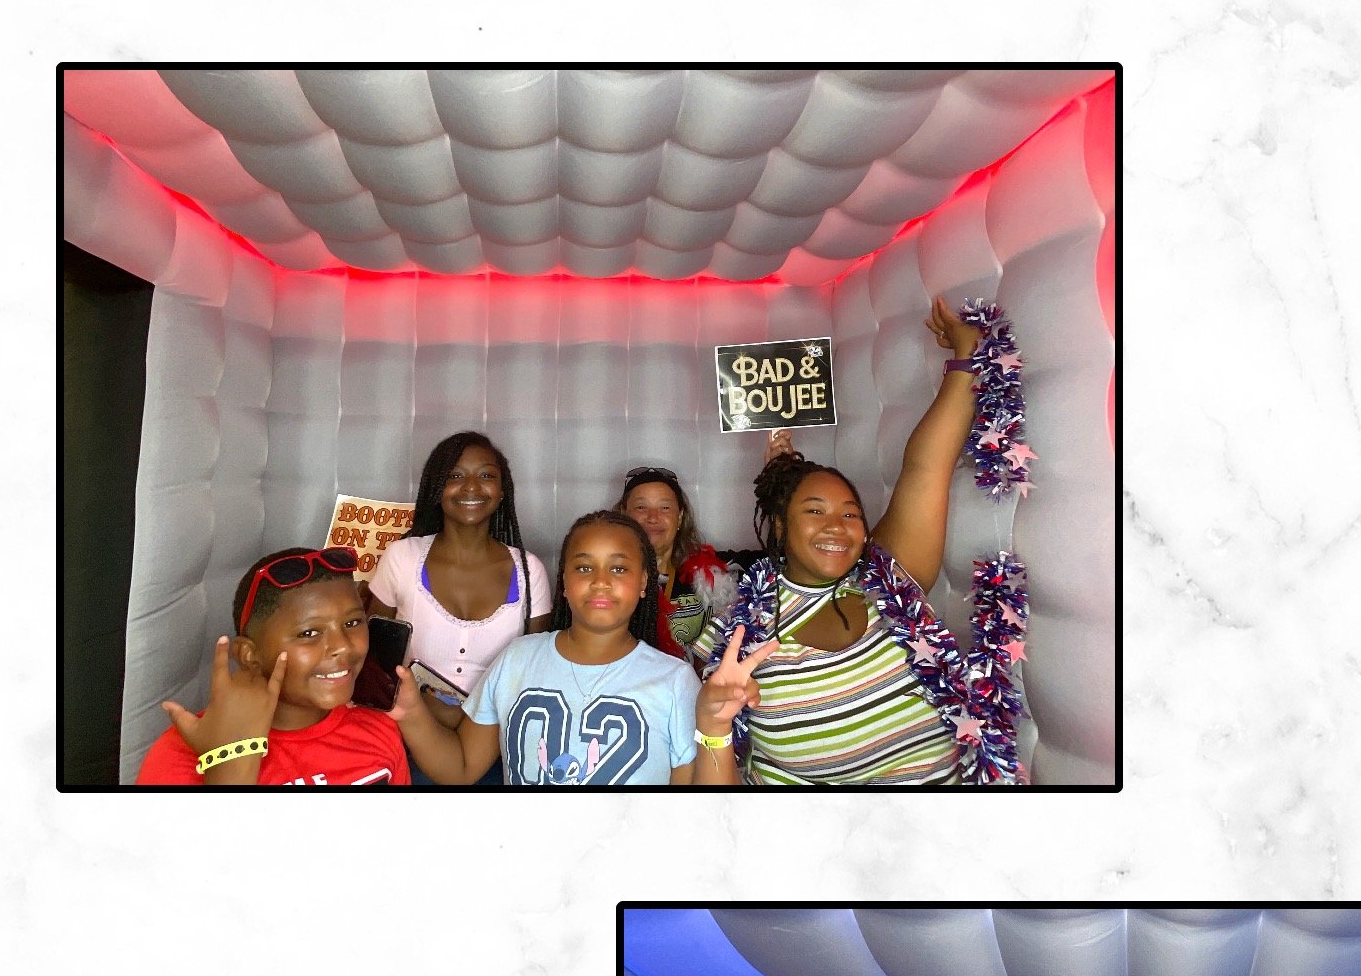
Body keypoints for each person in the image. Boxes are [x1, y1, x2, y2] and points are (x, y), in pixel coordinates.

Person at [702, 300, 1020, 787]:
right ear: (780, 526)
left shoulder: (891, 580)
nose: (837, 526)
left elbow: (925, 467)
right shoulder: (738, 632)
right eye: (814, 511)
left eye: (850, 513)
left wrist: (964, 357)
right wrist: (714, 726)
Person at [389, 510, 777, 787]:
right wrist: (411, 713)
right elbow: (460, 767)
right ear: (564, 581)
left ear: (644, 582)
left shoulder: (674, 680)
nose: (601, 581)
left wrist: (715, 728)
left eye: (619, 568)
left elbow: (702, 811)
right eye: (584, 567)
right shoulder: (518, 659)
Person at [136, 548, 409, 786]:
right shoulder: (181, 752)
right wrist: (230, 758)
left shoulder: (378, 727)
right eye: (309, 633)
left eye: (352, 623)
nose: (344, 646)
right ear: (248, 656)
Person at [366, 433, 551, 784]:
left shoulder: (530, 571)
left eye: (486, 475)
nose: (471, 487)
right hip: (406, 740)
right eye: (455, 475)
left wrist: (470, 722)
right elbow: (374, 661)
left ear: (502, 490)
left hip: (495, 748)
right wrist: (428, 709)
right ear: (436, 488)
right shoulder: (402, 557)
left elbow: (533, 673)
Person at [617, 466, 736, 666]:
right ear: (624, 514)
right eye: (641, 507)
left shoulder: (711, 571)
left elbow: (781, 556)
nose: (653, 517)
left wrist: (779, 470)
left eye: (665, 508)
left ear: (680, 517)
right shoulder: (606, 578)